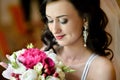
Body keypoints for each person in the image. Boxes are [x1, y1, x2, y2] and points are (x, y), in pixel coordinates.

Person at [39, 0, 116, 80]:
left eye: (63, 21)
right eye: (50, 20)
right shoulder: (45, 56)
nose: (55, 30)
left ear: (84, 19)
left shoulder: (102, 70)